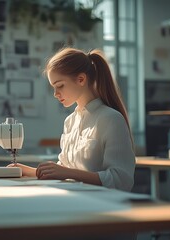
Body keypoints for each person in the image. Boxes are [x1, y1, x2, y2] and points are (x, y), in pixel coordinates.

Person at [9, 47, 136, 192]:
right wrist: (27, 170)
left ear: (81, 79)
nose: (56, 94)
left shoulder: (111, 119)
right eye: (53, 88)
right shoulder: (70, 121)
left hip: (101, 205)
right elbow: (63, 169)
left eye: (60, 86)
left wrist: (67, 173)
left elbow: (121, 180)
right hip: (72, 199)